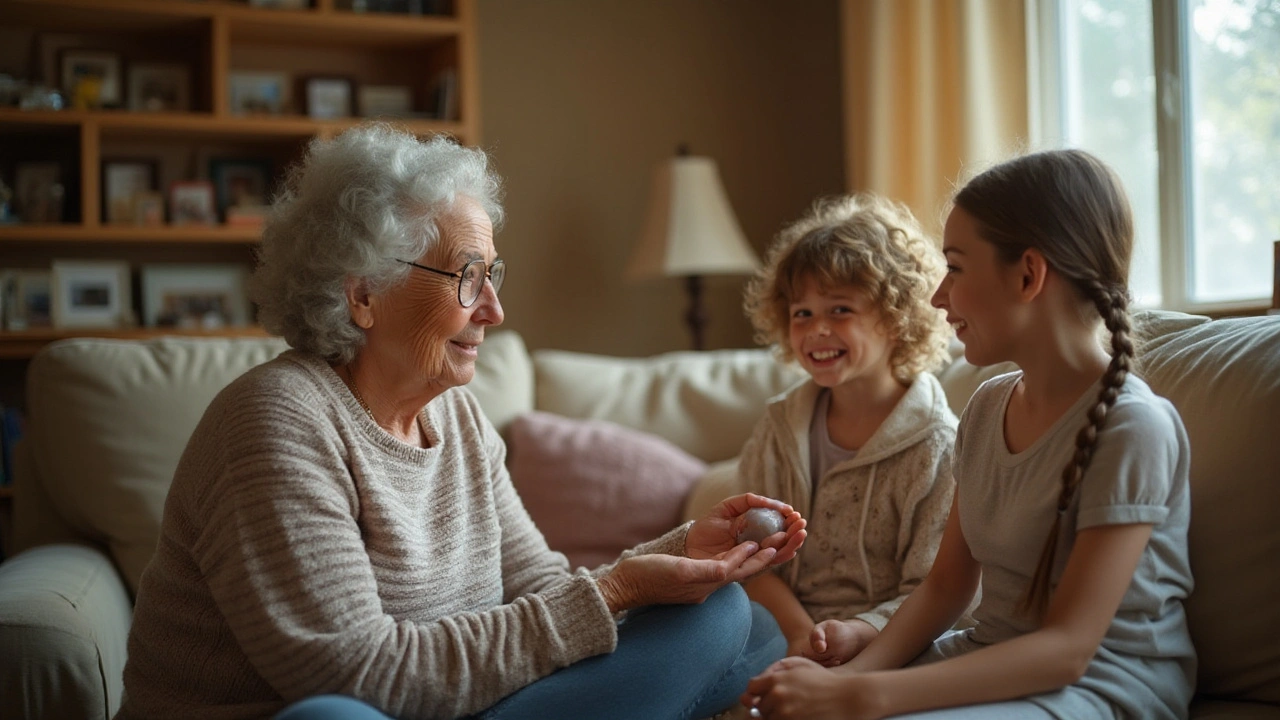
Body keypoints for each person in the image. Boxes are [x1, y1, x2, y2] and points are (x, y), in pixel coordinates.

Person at [115, 123, 808, 720]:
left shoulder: (457, 415)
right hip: (332, 707)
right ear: (363, 294)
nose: (494, 311)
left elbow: (539, 584)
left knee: (729, 619)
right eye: (467, 278)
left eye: (493, 276)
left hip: (455, 702)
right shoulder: (276, 421)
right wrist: (621, 590)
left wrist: (681, 554)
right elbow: (351, 672)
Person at [741, 149, 1195, 720]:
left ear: (1028, 274)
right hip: (985, 657)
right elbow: (945, 588)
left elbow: (1068, 651)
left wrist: (857, 695)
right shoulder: (986, 406)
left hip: (1100, 685)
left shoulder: (1134, 427)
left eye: (955, 267)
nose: (938, 297)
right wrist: (845, 677)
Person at [736, 194, 958, 666]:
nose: (817, 330)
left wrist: (857, 634)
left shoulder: (937, 444)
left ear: (897, 318)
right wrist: (800, 634)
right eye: (802, 313)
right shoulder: (778, 429)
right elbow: (747, 560)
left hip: (891, 643)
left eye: (839, 310)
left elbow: (937, 589)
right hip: (777, 628)